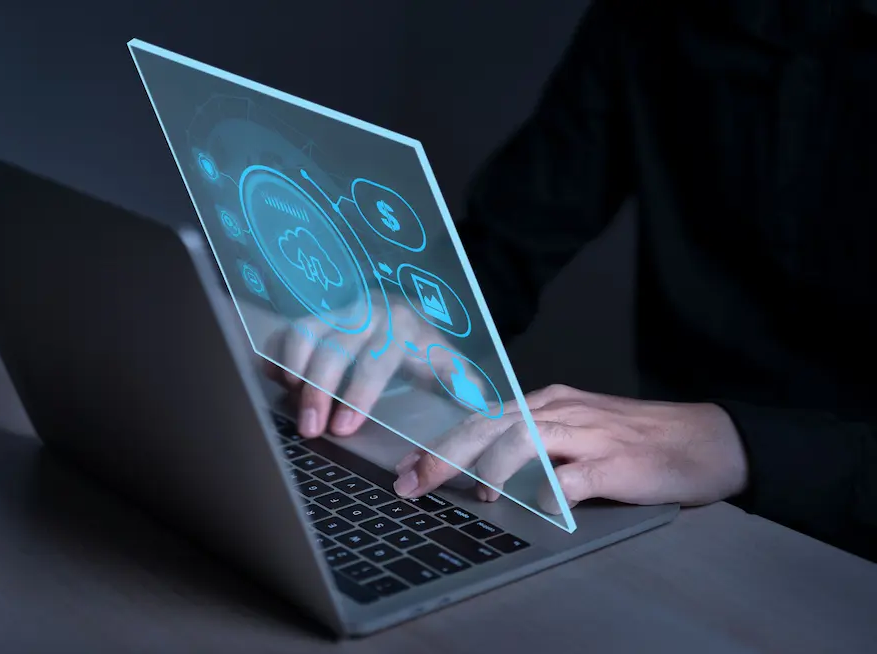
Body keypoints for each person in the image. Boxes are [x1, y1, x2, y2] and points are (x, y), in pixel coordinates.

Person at [268, 0, 877, 561]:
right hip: (674, 518)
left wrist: (744, 444)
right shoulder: (653, 18)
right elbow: (508, 239)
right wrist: (411, 308)